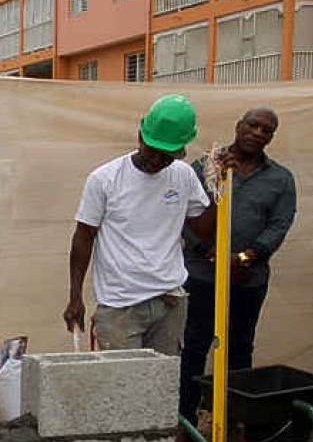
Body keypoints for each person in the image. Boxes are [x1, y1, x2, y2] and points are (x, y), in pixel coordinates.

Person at [177, 108, 295, 442]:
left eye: (267, 129)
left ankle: (230, 423)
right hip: (200, 274)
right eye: (252, 125)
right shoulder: (204, 167)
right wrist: (209, 253)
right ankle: (185, 422)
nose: (258, 132)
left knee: (239, 349)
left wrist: (247, 256)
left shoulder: (280, 179)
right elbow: (186, 213)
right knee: (195, 347)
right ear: (238, 127)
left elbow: (280, 223)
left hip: (248, 279)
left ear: (271, 137)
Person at [63, 94, 216, 356]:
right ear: (140, 136)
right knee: (122, 389)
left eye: (166, 156)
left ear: (181, 151)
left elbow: (202, 229)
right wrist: (75, 296)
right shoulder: (105, 179)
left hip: (170, 300)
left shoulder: (183, 175)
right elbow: (84, 236)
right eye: (152, 151)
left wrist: (217, 192)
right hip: (121, 304)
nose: (156, 161)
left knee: (162, 386)